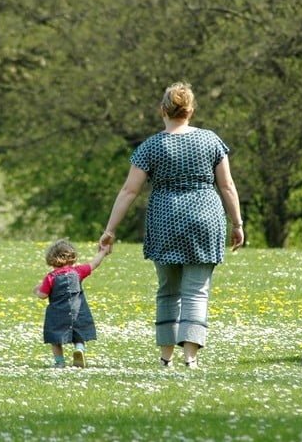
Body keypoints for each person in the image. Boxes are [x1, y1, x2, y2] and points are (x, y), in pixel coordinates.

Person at [100, 82, 244, 369]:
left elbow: (129, 191)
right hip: (205, 217)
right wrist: (237, 223)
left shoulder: (151, 146)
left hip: (165, 219)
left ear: (162, 110)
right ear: (191, 110)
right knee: (196, 290)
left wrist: (110, 229)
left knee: (168, 290)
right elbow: (226, 186)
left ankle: (166, 357)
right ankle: (191, 357)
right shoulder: (211, 141)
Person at [33, 238, 110, 368]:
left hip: (58, 314)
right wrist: (102, 252)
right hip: (77, 311)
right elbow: (94, 264)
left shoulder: (50, 277)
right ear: (72, 257)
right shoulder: (78, 271)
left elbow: (43, 295)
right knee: (78, 332)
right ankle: (79, 348)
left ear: (51, 258)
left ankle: (59, 362)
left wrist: (36, 290)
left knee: (55, 338)